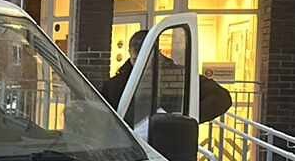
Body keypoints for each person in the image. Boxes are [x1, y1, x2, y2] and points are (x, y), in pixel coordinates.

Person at [100, 29, 233, 121]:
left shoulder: (178, 76)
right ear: (130, 54)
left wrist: (185, 121)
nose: (142, 66)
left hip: (167, 146)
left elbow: (221, 98)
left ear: (157, 54)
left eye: (147, 60)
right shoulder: (115, 85)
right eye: (137, 60)